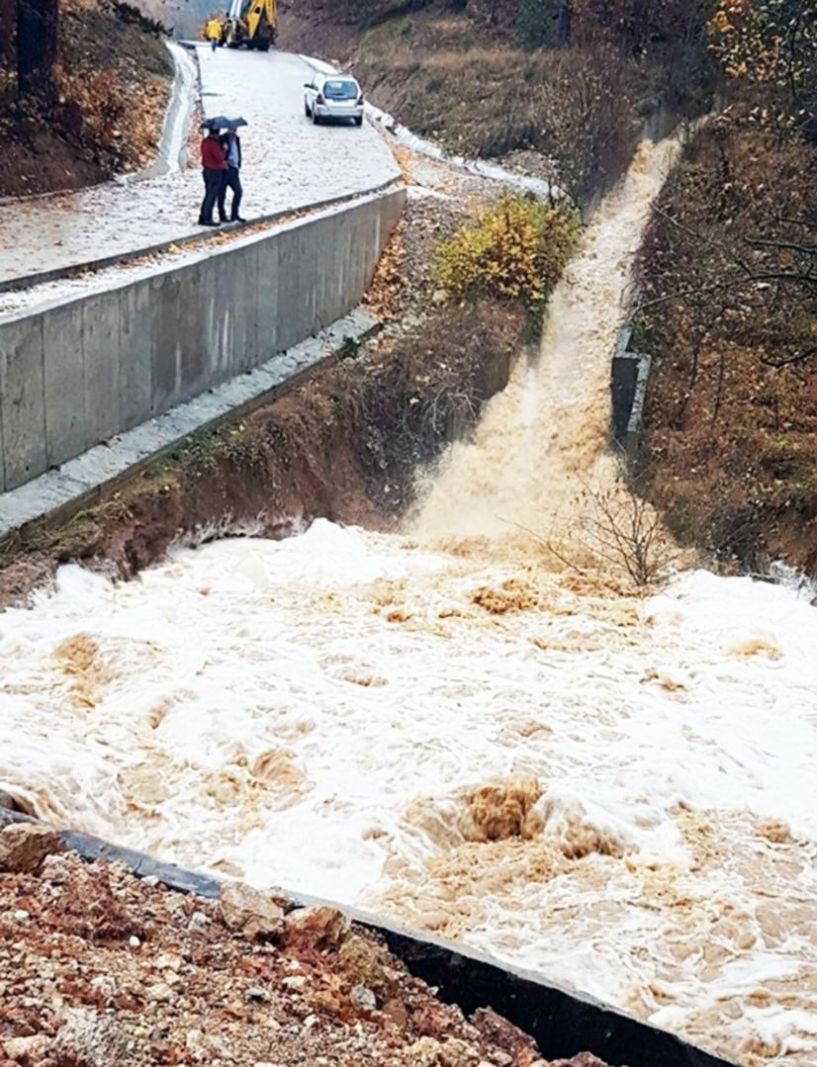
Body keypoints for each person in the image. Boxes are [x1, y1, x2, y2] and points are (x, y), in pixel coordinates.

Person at [198, 126, 226, 227]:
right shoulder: (214, 144)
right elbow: (219, 157)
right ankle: (207, 218)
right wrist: (224, 149)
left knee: (208, 194)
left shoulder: (205, 141)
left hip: (206, 170)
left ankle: (202, 216)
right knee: (212, 195)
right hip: (215, 171)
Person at [218, 125, 246, 223]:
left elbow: (237, 152)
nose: (233, 131)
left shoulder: (237, 139)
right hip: (225, 168)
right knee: (222, 193)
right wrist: (223, 161)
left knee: (238, 191)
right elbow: (219, 152)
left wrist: (238, 164)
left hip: (234, 169)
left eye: (235, 129)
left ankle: (235, 214)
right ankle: (222, 215)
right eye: (232, 129)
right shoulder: (222, 138)